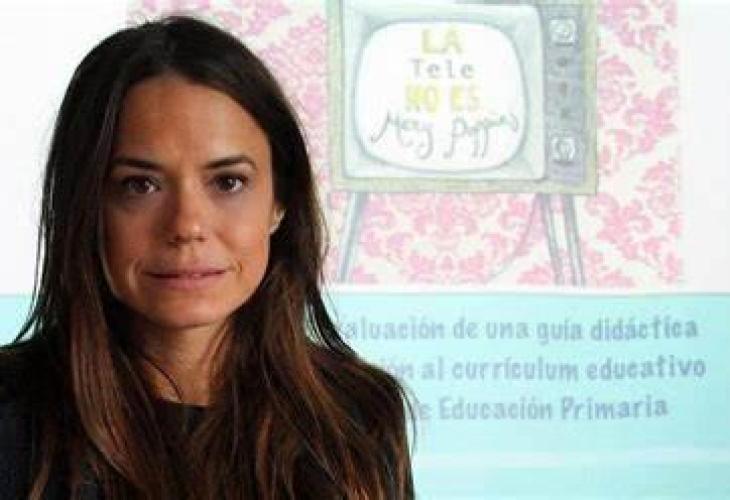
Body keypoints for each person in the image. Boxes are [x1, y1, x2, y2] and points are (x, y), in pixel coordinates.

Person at [0, 15, 413, 499]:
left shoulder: (359, 416)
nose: (187, 225)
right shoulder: (11, 417)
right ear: (85, 205)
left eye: (228, 182)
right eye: (140, 185)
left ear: (280, 201)